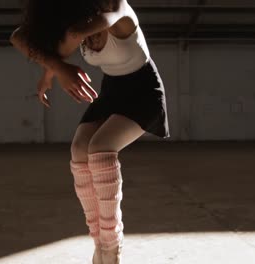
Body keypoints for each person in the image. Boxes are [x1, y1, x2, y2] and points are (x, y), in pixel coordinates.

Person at [10, 0, 170, 263]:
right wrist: (55, 71)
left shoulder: (118, 9)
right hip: (112, 91)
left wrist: (58, 62)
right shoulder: (79, 24)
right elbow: (18, 37)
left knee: (101, 150)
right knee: (78, 151)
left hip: (144, 91)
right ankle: (100, 246)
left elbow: (82, 31)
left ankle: (112, 245)